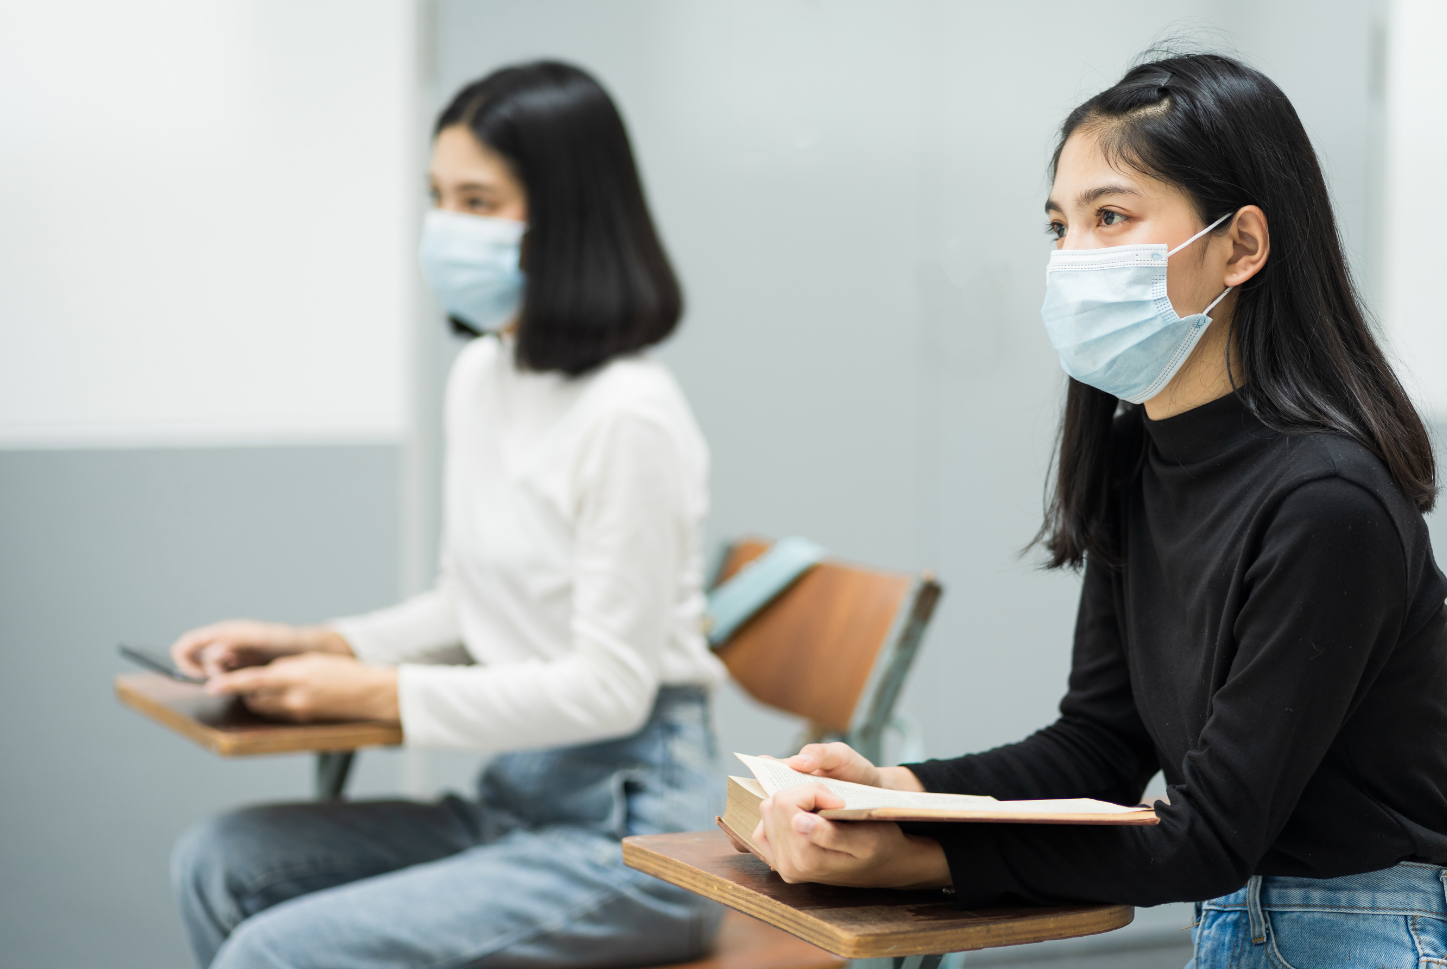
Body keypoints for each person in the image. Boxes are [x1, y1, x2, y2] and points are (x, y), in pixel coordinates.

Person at [749, 53, 1447, 968]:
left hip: (1357, 931)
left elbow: (1205, 834)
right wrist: (894, 790)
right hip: (1242, 920)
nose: (1070, 259)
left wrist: (918, 856)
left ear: (1239, 245)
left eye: (1108, 217)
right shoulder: (1137, 463)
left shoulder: (1327, 502)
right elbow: (1097, 746)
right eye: (1057, 226)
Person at [168, 61, 726, 969]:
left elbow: (608, 688)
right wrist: (317, 644)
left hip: (635, 834)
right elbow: (469, 604)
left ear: (567, 219)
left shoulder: (630, 415)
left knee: (278, 951)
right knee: (219, 861)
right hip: (518, 796)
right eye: (438, 197)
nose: (445, 228)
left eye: (478, 200)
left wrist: (379, 694)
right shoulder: (484, 375)